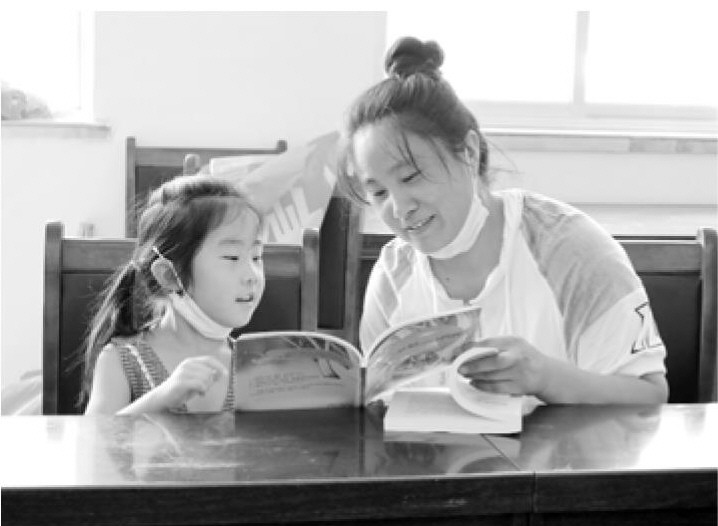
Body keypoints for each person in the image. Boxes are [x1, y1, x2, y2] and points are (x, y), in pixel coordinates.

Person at [337, 36, 668, 405]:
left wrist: (545, 377)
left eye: (411, 176)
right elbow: (380, 406)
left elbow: (648, 396)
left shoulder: (569, 250)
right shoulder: (393, 275)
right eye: (379, 192)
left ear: (469, 152)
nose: (399, 209)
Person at [83, 174, 265, 414]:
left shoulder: (257, 367)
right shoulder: (122, 360)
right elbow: (95, 436)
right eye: (232, 257)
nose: (252, 275)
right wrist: (161, 398)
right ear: (169, 275)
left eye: (256, 257)